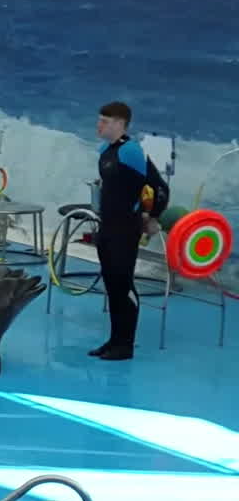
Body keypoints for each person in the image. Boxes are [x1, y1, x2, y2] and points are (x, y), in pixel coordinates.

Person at [90, 101, 168, 360]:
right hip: (108, 226)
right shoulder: (105, 150)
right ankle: (113, 340)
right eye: (99, 120)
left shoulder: (132, 151)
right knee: (111, 284)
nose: (99, 125)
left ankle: (126, 344)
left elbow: (159, 188)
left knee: (124, 285)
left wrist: (152, 216)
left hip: (126, 229)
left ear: (120, 124)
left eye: (105, 121)